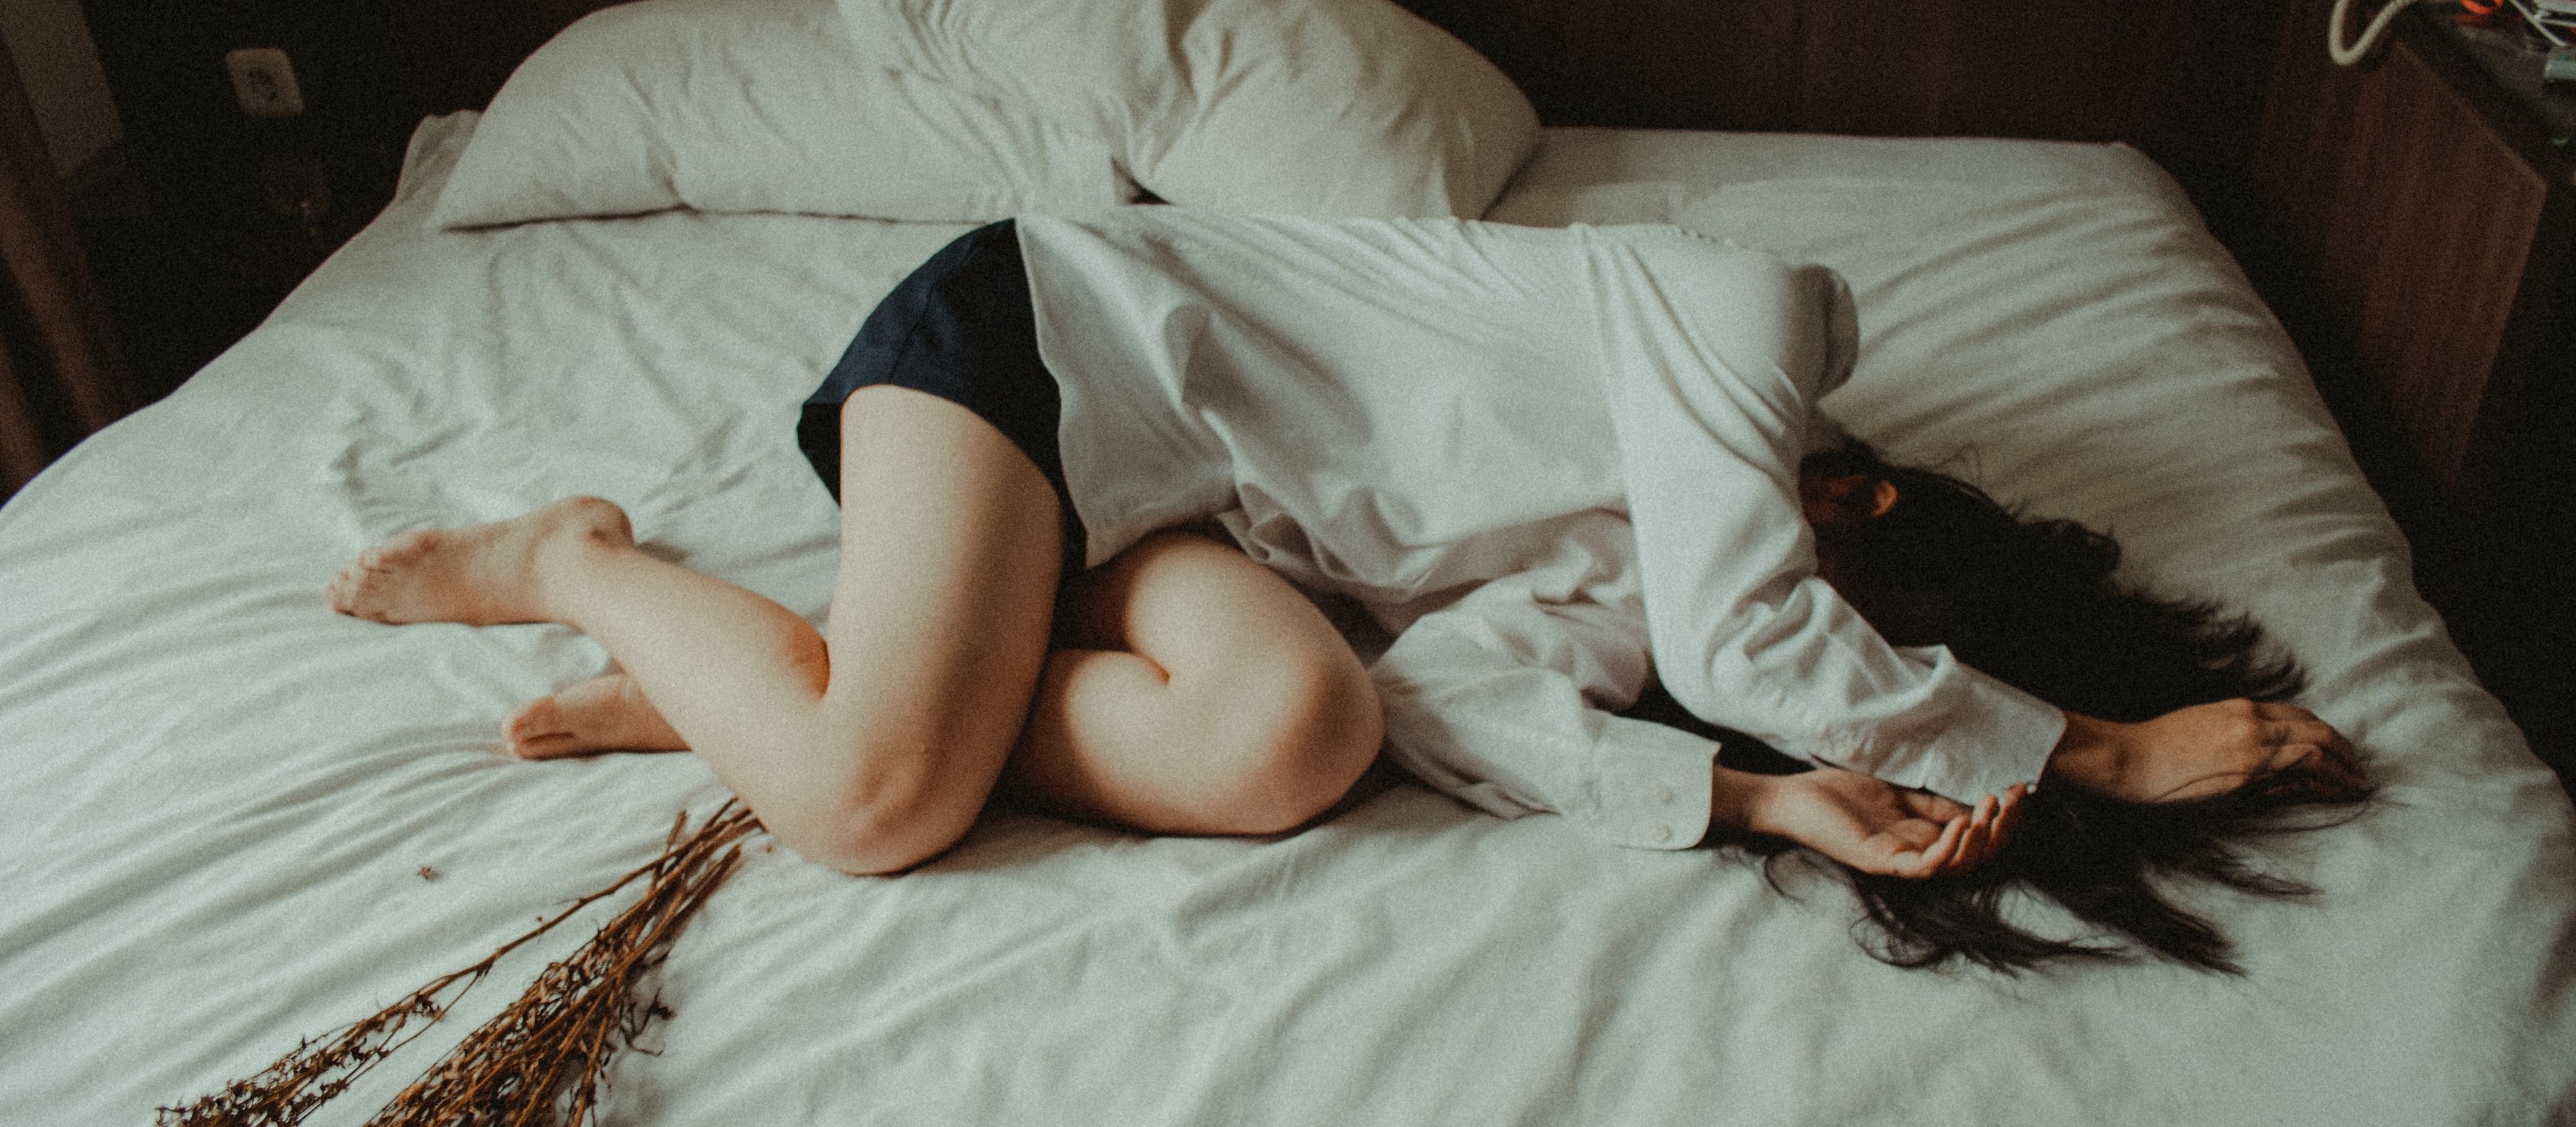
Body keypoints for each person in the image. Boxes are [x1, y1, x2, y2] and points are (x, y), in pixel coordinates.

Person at [326, 214, 2362, 897]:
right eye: (1820, 580)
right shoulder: (1742, 316)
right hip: (1047, 352)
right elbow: (1759, 615)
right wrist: (2082, 748)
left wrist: (1755, 793)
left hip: (1185, 530)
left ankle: (749, 676)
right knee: (874, 803)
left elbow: (1452, 692)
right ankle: (582, 560)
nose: (1762, 604)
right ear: (1857, 491)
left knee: (1296, 729)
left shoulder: (1659, 582)